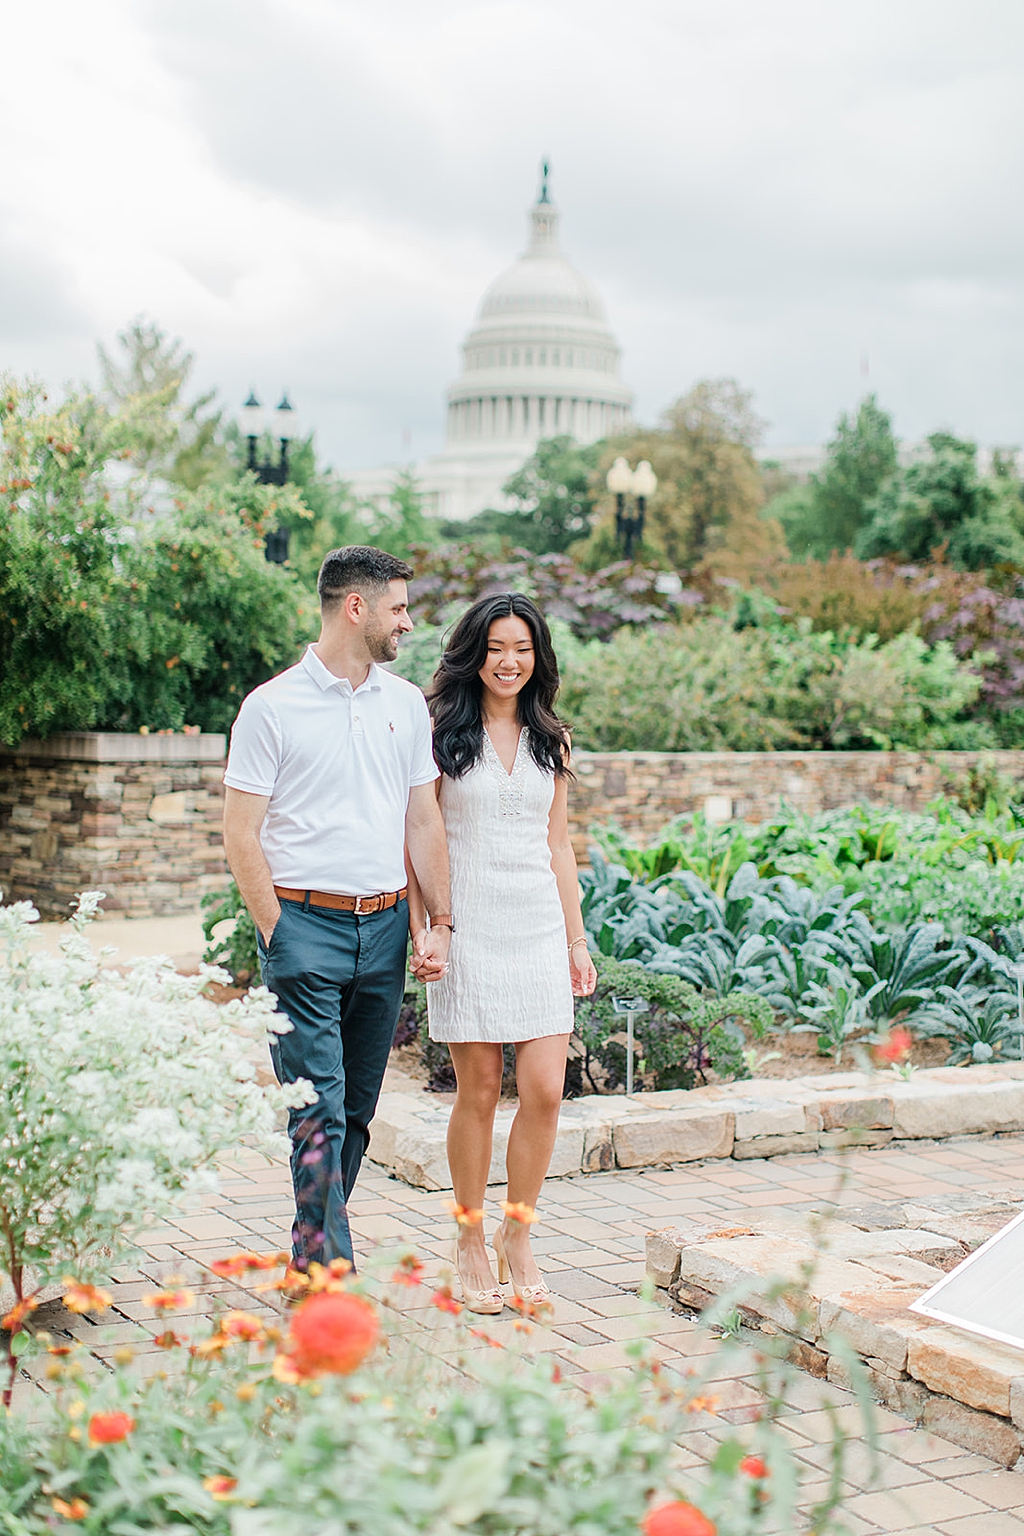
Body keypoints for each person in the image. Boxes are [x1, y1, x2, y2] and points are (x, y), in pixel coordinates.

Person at [222, 546, 452, 1273]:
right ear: (357, 608)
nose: (408, 623)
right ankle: (329, 1271)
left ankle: (310, 1251)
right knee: (315, 1110)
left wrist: (436, 921)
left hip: (384, 930)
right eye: (399, 608)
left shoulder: (406, 704)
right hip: (304, 930)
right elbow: (239, 832)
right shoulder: (271, 707)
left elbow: (423, 820)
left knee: (354, 1111)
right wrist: (277, 933)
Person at [411, 592, 597, 1313]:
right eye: (496, 648)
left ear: (538, 657)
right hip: (469, 929)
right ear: (473, 653)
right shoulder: (441, 735)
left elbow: (558, 845)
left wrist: (577, 940)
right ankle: (468, 1234)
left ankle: (518, 1233)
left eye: (521, 648)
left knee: (546, 1090)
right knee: (481, 1091)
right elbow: (418, 837)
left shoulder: (554, 739)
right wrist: (428, 926)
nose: (509, 661)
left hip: (538, 929)